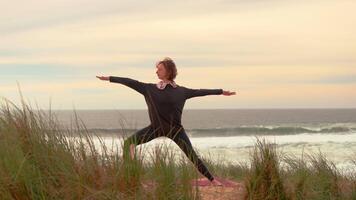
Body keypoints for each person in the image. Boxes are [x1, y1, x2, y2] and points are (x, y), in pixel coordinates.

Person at [96, 57, 236, 186]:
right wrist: (110, 78)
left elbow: (201, 91)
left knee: (192, 155)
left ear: (169, 71)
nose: (156, 71)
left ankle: (212, 180)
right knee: (129, 143)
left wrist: (221, 91)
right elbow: (130, 82)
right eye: (157, 69)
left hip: (176, 131)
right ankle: (133, 175)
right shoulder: (149, 89)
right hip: (155, 128)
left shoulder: (182, 91)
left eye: (160, 69)